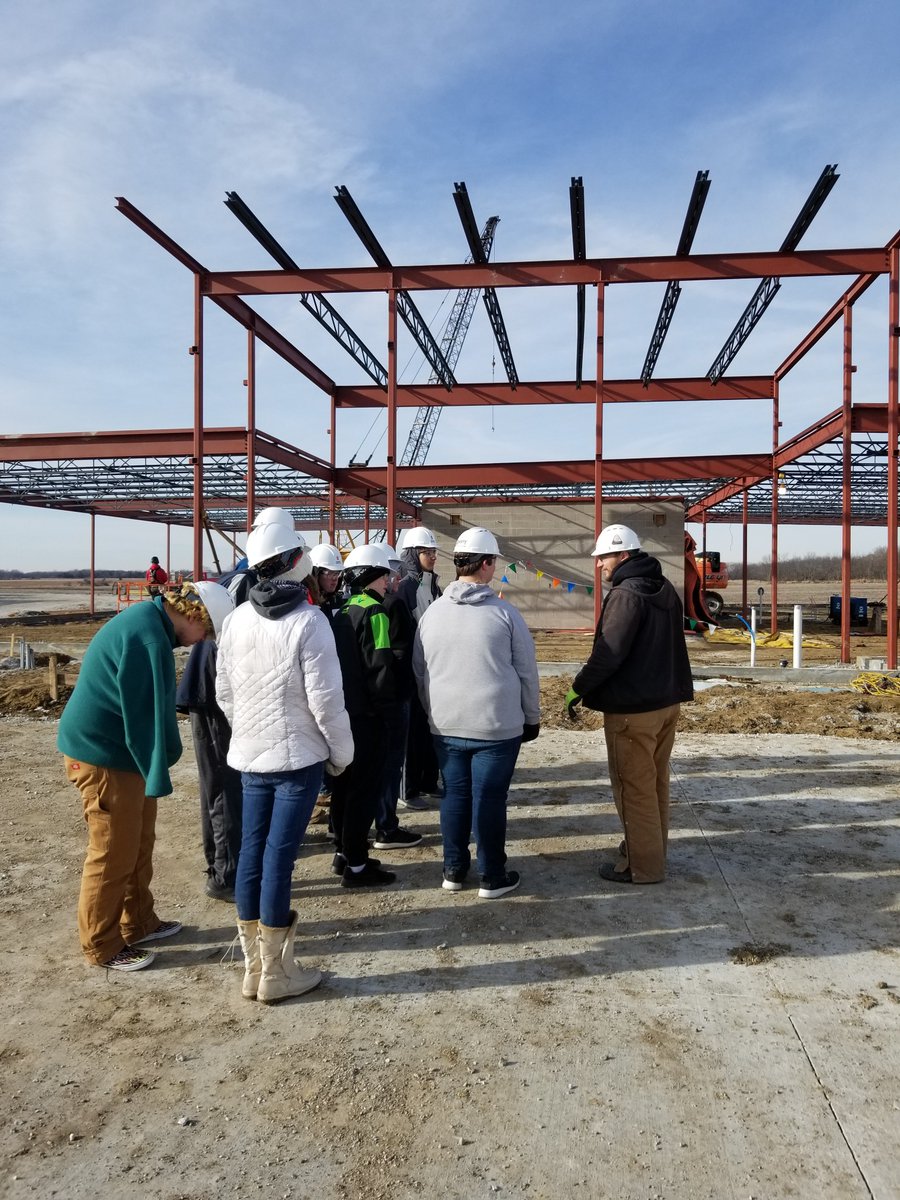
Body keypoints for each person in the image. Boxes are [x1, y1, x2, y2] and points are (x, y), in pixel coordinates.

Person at [58, 580, 232, 972]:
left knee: (137, 838)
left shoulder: (151, 625)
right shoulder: (148, 640)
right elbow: (146, 718)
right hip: (103, 755)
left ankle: (137, 921)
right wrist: (159, 768)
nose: (201, 640)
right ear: (192, 614)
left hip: (120, 751)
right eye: (205, 631)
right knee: (112, 849)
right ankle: (101, 944)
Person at [216, 523, 353, 1004]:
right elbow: (327, 702)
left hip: (252, 756)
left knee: (252, 851)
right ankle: (275, 972)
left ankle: (254, 968)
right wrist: (341, 754)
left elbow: (224, 693)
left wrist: (249, 733)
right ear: (296, 560)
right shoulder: (310, 621)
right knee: (279, 858)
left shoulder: (236, 621)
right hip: (298, 760)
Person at [413, 526, 540, 899]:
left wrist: (434, 713)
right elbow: (526, 673)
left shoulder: (433, 613)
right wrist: (531, 718)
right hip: (496, 729)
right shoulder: (505, 614)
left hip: (446, 725)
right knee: (489, 799)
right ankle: (492, 875)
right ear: (485, 564)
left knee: (455, 795)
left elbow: (421, 671)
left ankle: (453, 869)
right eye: (494, 562)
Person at [565, 524, 694, 885]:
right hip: (665, 704)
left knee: (633, 788)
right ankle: (647, 850)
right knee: (655, 785)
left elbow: (609, 654)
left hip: (632, 712)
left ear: (623, 555)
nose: (599, 566)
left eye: (603, 557)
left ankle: (644, 868)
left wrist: (579, 687)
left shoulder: (626, 595)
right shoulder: (664, 587)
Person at [329, 542, 400, 888]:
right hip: (368, 717)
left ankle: (343, 852)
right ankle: (357, 866)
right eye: (385, 574)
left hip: (343, 712)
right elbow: (381, 667)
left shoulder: (342, 610)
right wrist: (389, 712)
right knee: (365, 789)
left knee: (344, 785)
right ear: (372, 575)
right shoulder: (375, 612)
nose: (388, 581)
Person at [373, 545, 423, 852]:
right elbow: (395, 654)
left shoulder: (353, 605)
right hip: (394, 697)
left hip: (370, 700)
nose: (395, 579)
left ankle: (349, 834)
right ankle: (386, 827)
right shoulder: (391, 606)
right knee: (391, 763)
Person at [396, 526, 442, 808]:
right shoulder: (405, 589)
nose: (432, 556)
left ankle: (428, 780)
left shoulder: (433, 585)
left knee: (430, 728)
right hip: (413, 671)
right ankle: (408, 789)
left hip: (433, 669)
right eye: (427, 552)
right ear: (413, 554)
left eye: (434, 551)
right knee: (411, 733)